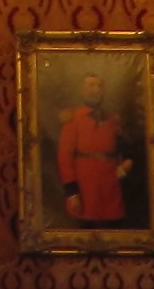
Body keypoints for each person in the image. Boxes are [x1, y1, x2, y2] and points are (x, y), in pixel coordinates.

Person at [55, 71, 134, 223]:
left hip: (110, 188)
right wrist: (72, 193)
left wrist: (126, 164)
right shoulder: (72, 118)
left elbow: (125, 148)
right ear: (82, 90)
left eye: (99, 86)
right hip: (85, 190)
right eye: (91, 85)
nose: (96, 89)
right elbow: (64, 158)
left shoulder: (113, 119)